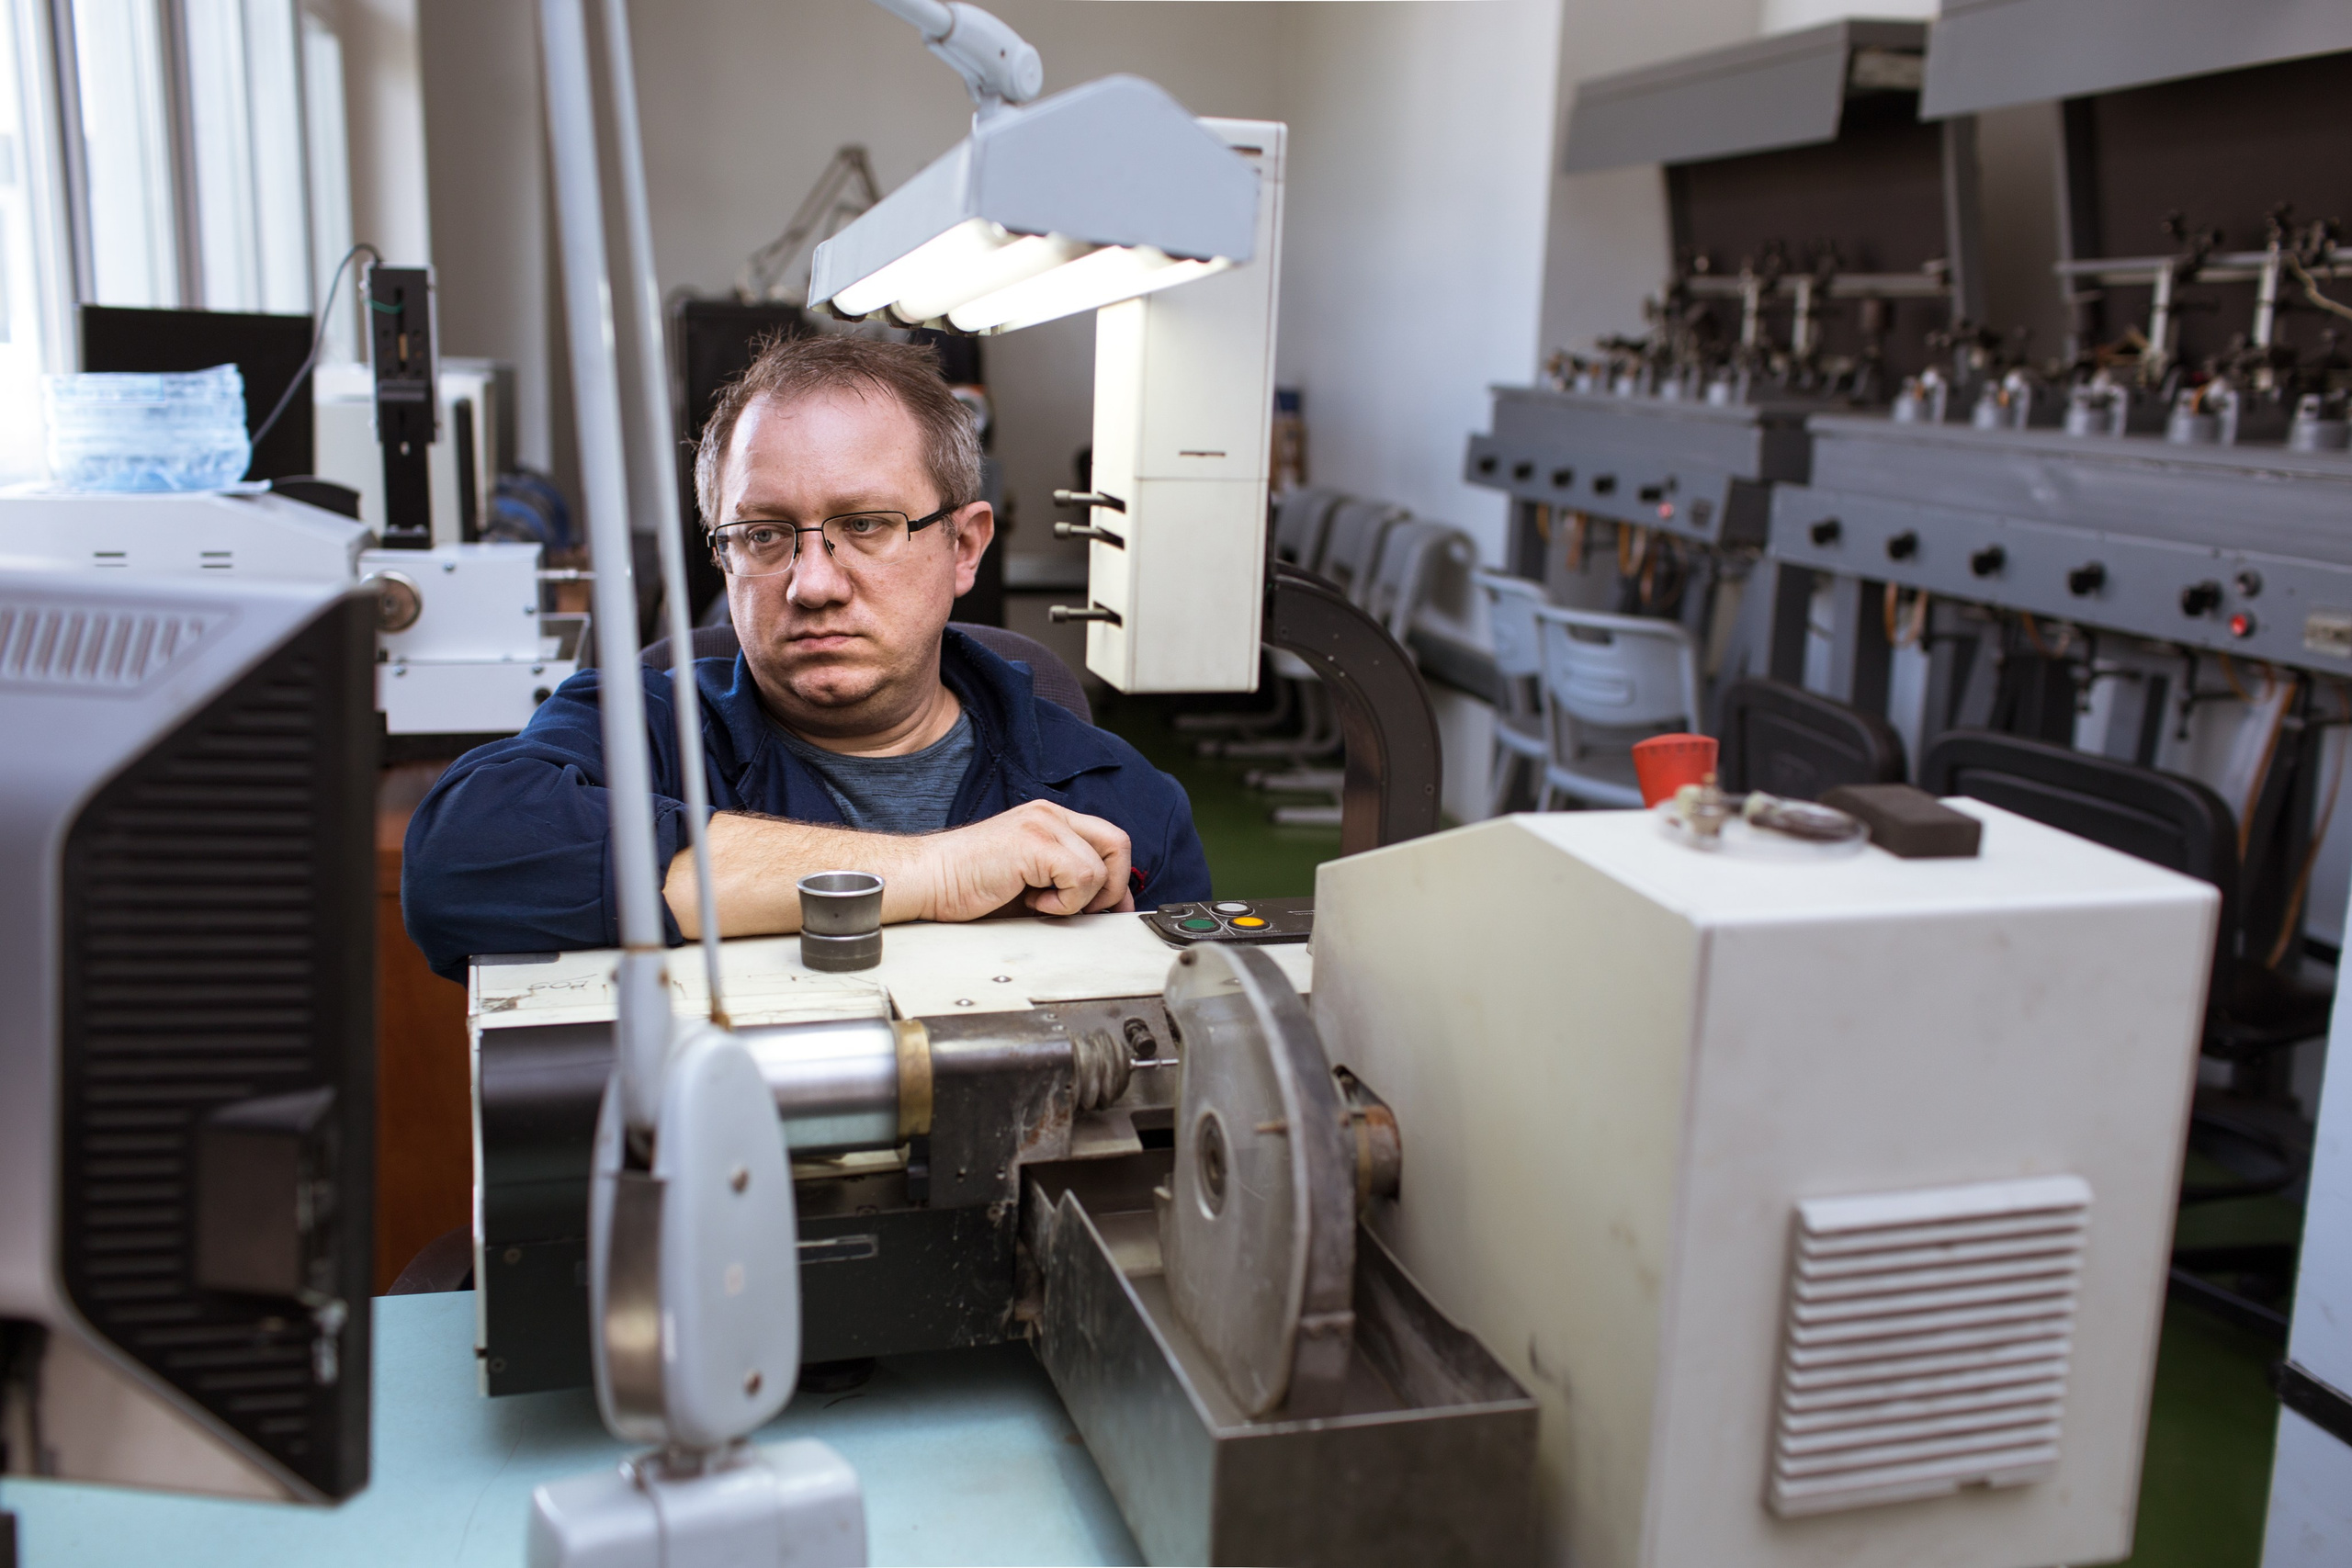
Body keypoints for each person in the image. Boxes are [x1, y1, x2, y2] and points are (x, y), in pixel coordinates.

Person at [401, 333, 1211, 981]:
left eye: (866, 524)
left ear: (964, 548)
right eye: (763, 535)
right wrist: (936, 871)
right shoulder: (643, 729)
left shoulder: (1115, 807)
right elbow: (457, 860)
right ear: (723, 558)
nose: (814, 583)